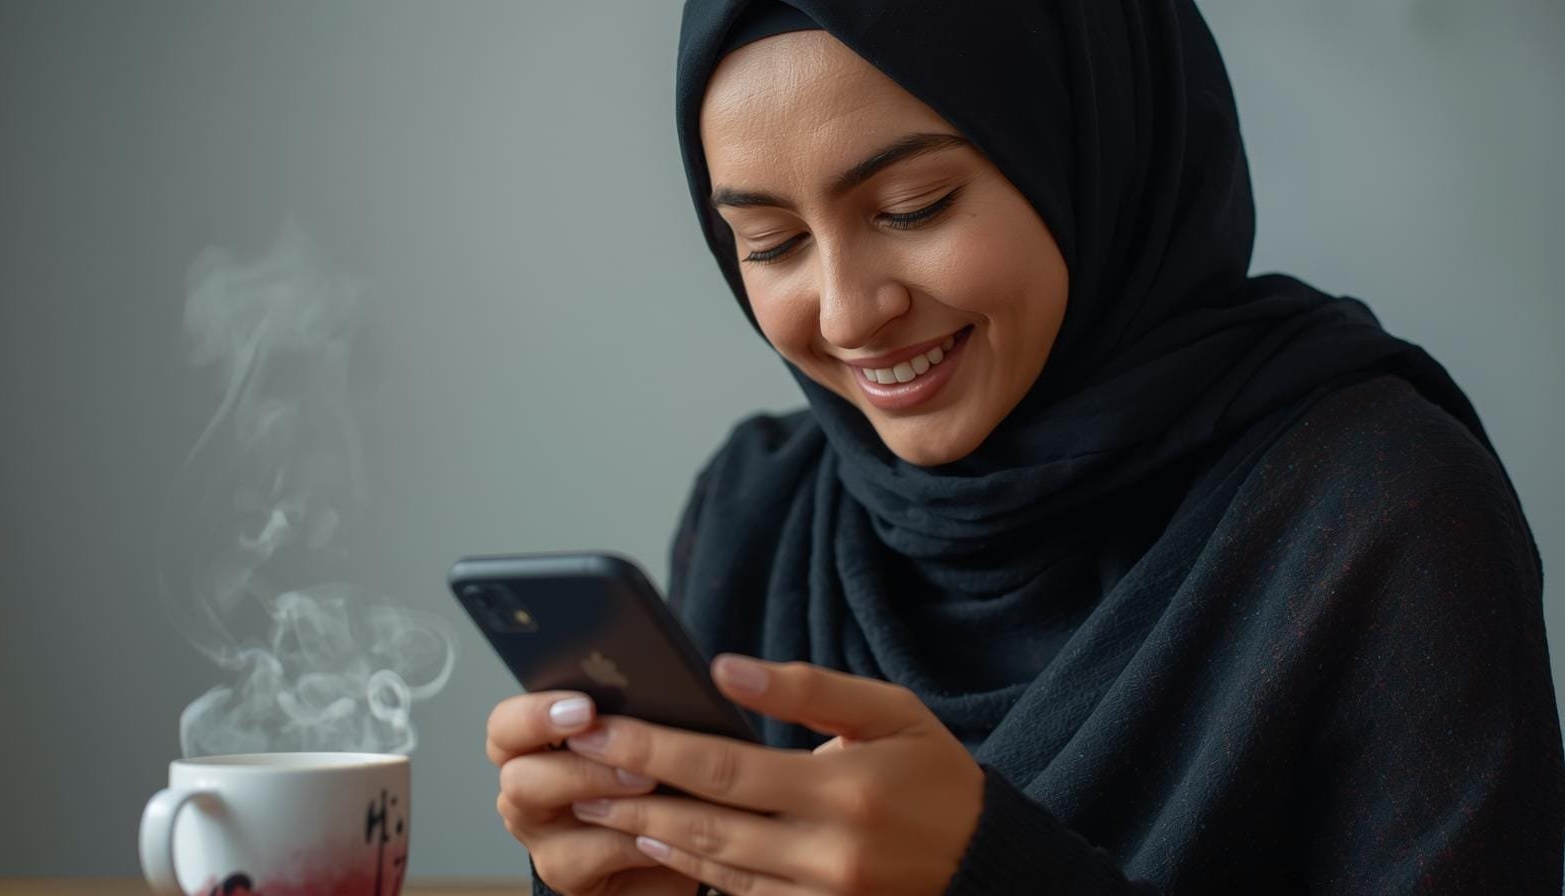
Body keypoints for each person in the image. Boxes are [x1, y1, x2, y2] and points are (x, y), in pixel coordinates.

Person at [485, 1, 1565, 893]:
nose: (849, 313)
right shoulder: (759, 509)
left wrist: (990, 873)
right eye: (768, 242)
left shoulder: (1381, 513)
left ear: (1092, 148)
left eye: (915, 204)